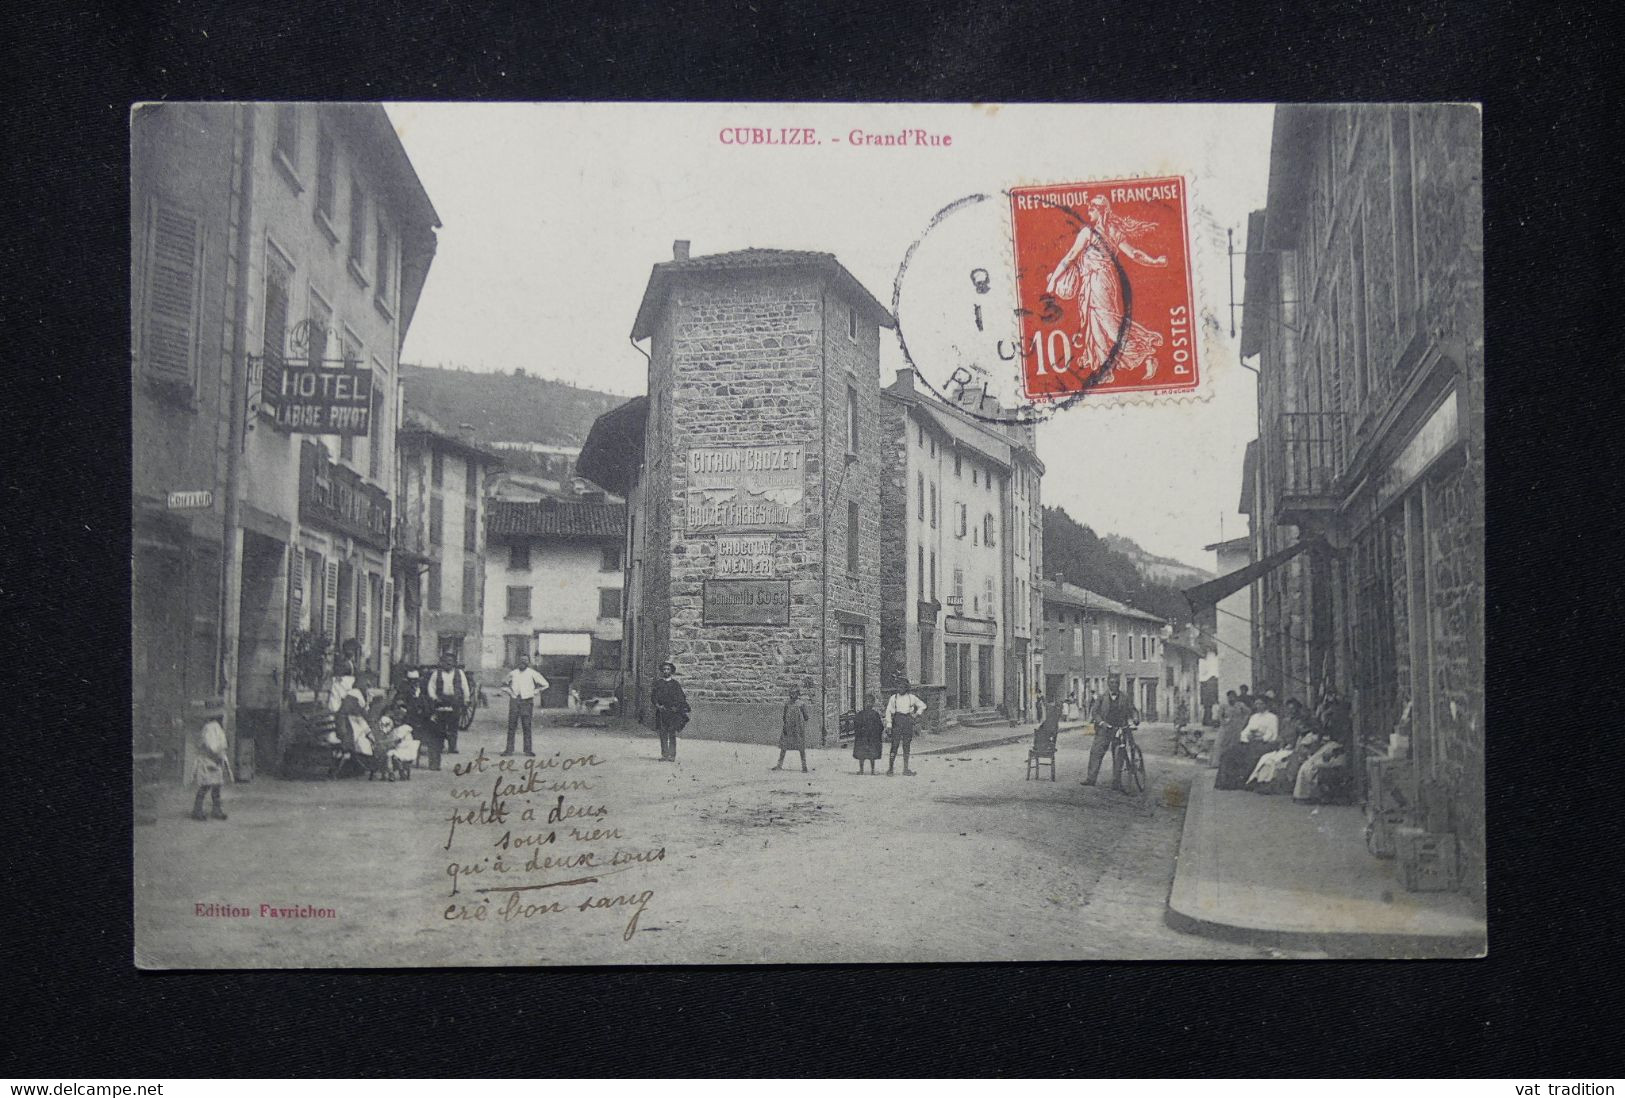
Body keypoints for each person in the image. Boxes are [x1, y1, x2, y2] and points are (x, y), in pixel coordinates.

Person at [1044, 193, 1169, 383]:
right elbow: (1134, 254)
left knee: (1108, 323)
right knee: (1097, 324)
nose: (1089, 213)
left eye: (1091, 209)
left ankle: (1145, 354)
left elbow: (1071, 256)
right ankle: (1106, 370)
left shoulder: (1091, 233)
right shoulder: (1105, 232)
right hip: (1099, 281)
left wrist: (1053, 281)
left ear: (1100, 210)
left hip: (1099, 282)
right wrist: (1155, 261)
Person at [1216, 694, 1280, 790]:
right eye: (1257, 704)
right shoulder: (1254, 717)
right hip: (1249, 742)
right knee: (1228, 753)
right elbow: (1246, 730)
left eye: (1261, 704)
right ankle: (1227, 782)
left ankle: (1244, 782)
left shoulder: (1272, 717)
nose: (1258, 706)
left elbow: (1272, 733)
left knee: (1251, 756)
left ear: (1266, 705)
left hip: (1263, 743)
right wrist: (1246, 737)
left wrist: (1261, 738)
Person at [1083, 680, 1135, 791]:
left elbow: (1132, 710)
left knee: (1119, 755)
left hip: (1119, 729)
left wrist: (1134, 719)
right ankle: (1091, 779)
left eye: (1116, 683)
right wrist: (1101, 722)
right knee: (1096, 752)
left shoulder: (1125, 697)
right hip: (1105, 729)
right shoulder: (1102, 697)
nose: (1114, 685)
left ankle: (1116, 781)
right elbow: (1095, 712)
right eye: (1112, 683)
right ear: (1108, 685)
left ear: (1119, 685)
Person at [423, 652, 470, 770]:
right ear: (442, 663)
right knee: (441, 724)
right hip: (441, 700)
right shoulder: (436, 674)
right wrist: (434, 698)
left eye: (451, 661)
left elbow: (465, 687)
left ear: (454, 663)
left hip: (455, 701)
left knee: (454, 724)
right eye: (446, 661)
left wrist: (466, 699)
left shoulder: (460, 673)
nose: (448, 664)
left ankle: (452, 746)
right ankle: (441, 744)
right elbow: (431, 687)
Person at [500, 652, 550, 757]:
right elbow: (503, 685)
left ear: (528, 662)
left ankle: (528, 750)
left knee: (526, 725)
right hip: (514, 701)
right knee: (511, 725)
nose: (523, 662)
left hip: (527, 702)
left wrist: (534, 692)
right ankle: (509, 750)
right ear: (518, 661)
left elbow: (545, 684)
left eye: (525, 660)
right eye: (521, 660)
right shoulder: (513, 673)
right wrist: (510, 692)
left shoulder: (532, 673)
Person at [190, 719, 232, 821]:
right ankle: (197, 811)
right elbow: (211, 746)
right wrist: (218, 753)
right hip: (207, 761)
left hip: (216, 761)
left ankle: (216, 810)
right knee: (205, 786)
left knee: (217, 788)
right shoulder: (209, 728)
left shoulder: (218, 728)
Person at [885, 680, 927, 776]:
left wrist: (916, 715)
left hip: (907, 721)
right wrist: (889, 725)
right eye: (899, 687)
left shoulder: (911, 697)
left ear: (906, 688)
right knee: (894, 745)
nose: (900, 689)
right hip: (897, 721)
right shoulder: (893, 698)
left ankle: (906, 769)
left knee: (906, 745)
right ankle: (890, 769)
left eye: (903, 687)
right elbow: (888, 711)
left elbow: (923, 706)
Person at [651, 662, 689, 762]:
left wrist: (676, 707)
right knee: (663, 734)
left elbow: (681, 698)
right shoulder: (658, 684)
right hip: (662, 712)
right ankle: (664, 755)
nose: (666, 671)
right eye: (664, 669)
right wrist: (658, 706)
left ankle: (672, 755)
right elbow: (653, 697)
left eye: (668, 669)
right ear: (662, 671)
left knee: (672, 733)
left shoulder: (675, 684)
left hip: (672, 713)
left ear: (671, 671)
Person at [774, 687, 812, 773]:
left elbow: (806, 717)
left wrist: (800, 723)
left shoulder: (801, 704)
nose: (792, 695)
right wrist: (786, 725)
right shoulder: (787, 704)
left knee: (801, 747)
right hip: (788, 728)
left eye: (794, 693)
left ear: (798, 694)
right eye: (790, 693)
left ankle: (804, 766)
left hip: (798, 728)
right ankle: (779, 765)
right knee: (784, 747)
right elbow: (784, 716)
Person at [852, 692, 885, 775]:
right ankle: (861, 769)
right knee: (861, 755)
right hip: (862, 737)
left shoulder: (875, 714)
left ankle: (873, 770)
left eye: (870, 702)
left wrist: (876, 733)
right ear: (864, 703)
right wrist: (859, 732)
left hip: (872, 738)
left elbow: (880, 726)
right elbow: (856, 725)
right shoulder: (860, 714)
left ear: (873, 703)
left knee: (872, 755)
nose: (868, 704)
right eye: (866, 702)